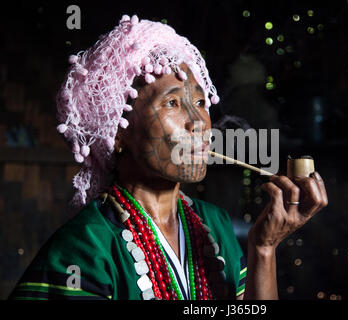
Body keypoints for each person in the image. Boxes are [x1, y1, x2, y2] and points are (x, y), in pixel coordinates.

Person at [9, 15, 328, 300]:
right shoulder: (86, 246)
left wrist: (264, 248)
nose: (198, 122)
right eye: (173, 104)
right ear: (118, 133)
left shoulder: (214, 225)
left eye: (201, 103)